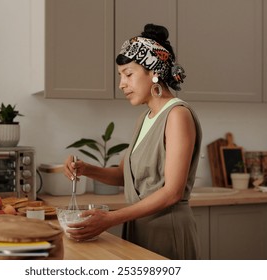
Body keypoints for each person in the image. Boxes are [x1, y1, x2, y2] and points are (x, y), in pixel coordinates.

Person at [63, 23, 202, 260]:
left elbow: (172, 193)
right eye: (120, 76)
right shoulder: (144, 119)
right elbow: (122, 175)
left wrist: (111, 219)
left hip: (168, 231)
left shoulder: (177, 115)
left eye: (128, 74)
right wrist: (85, 169)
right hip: (138, 226)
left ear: (153, 72)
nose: (121, 84)